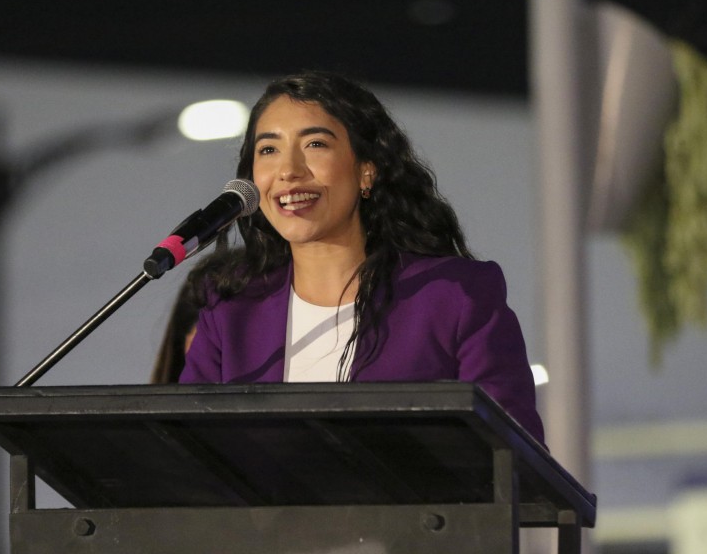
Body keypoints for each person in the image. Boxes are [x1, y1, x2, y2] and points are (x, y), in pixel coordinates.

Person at [176, 70, 544, 443]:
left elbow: (513, 460)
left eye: (315, 144)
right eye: (268, 150)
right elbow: (186, 454)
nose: (288, 171)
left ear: (366, 171)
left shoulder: (452, 297)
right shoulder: (231, 311)